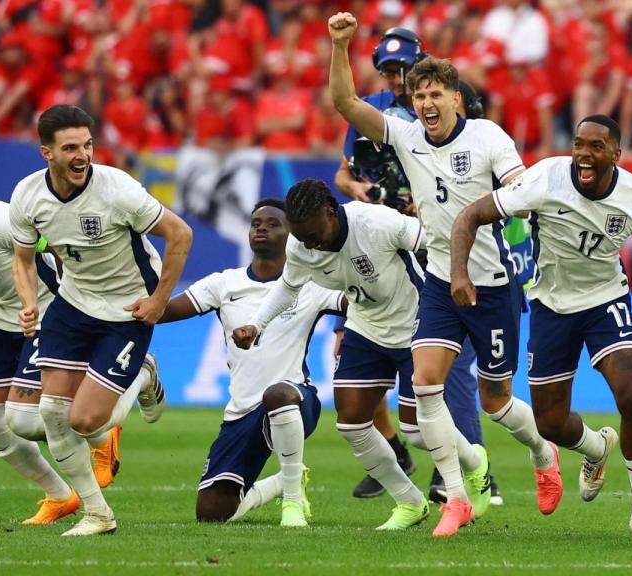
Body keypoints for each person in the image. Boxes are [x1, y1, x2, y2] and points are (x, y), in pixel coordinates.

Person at [328, 12, 560, 537]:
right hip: (437, 282)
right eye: (419, 96)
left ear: (456, 98)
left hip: (493, 286)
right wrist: (339, 46)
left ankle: (542, 452)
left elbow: (518, 190)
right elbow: (345, 103)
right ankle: (456, 495)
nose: (427, 104)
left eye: (436, 94)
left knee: (495, 400)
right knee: (427, 385)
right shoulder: (406, 139)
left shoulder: (487, 137)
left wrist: (521, 198)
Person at [451, 115, 632, 542]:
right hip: (550, 306)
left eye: (596, 146)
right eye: (579, 144)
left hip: (606, 301)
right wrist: (460, 274)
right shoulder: (545, 178)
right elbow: (469, 217)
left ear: (616, 155)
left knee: (631, 394)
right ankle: (596, 448)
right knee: (549, 422)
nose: (584, 154)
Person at [10, 105, 190, 536]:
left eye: (87, 145)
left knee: (87, 421)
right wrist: (28, 302)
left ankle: (144, 375)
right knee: (51, 411)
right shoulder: (28, 196)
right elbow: (22, 258)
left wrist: (159, 301)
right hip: (72, 304)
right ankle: (98, 514)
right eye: (70, 147)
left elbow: (180, 234)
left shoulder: (117, 190)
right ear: (46, 153)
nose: (83, 155)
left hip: (127, 310)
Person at [234, 180, 446, 530]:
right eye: (302, 238)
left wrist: (448, 298)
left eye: (314, 234)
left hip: (414, 324)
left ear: (331, 213)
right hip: (365, 326)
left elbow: (432, 242)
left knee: (417, 431)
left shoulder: (375, 222)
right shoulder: (302, 245)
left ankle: (473, 466)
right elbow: (288, 288)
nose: (310, 244)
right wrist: (256, 325)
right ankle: (409, 502)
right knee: (351, 422)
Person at [332, 27, 487, 503]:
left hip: (430, 244)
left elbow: (473, 169)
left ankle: (469, 461)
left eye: (405, 71)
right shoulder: (375, 110)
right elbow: (344, 171)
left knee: (445, 365)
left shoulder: (452, 109)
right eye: (390, 71)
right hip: (378, 239)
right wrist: (358, 191)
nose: (397, 80)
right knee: (355, 349)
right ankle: (397, 452)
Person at [158, 198, 345, 527]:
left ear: (293, 236)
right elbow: (165, 311)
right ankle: (285, 481)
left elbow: (353, 300)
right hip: (241, 412)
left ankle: (292, 504)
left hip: (296, 399)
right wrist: (134, 300)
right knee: (212, 514)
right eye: (256, 223)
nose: (262, 227)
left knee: (278, 394)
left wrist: (346, 328)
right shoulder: (224, 283)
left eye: (274, 223)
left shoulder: (311, 284)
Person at [0, 196, 79, 525]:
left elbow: (56, 242)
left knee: (29, 419)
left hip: (44, 308)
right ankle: (60, 495)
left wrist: (73, 299)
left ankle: (109, 407)